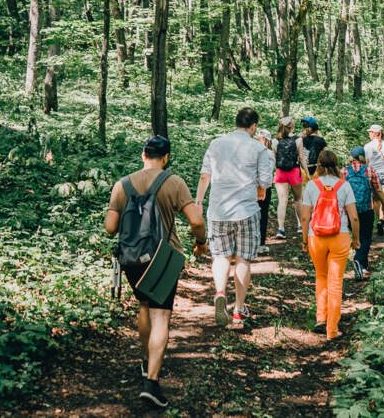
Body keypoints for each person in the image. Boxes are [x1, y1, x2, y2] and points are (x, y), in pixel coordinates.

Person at [104, 136, 208, 409]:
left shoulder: (122, 184)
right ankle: (151, 381)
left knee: (143, 305)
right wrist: (200, 243)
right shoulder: (173, 183)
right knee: (161, 315)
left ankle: (144, 360)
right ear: (166, 157)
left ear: (143, 155)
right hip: (161, 258)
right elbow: (196, 220)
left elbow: (110, 227)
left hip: (131, 259)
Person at [196, 107, 274, 326]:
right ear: (254, 126)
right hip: (246, 211)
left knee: (220, 256)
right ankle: (239, 309)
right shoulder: (257, 148)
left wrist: (199, 202)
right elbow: (266, 181)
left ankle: (220, 292)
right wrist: (260, 186)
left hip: (218, 210)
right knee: (243, 259)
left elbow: (205, 175)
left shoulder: (217, 143)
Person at [298, 149, 360, 340]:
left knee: (321, 276)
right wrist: (356, 239)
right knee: (336, 282)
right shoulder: (344, 186)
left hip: (316, 236)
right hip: (339, 236)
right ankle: (332, 330)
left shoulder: (311, 186)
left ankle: (321, 318)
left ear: (318, 165)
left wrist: (305, 240)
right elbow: (354, 217)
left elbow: (305, 216)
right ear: (336, 165)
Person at [344, 146, 384, 280]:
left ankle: (362, 263)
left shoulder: (343, 172)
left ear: (351, 157)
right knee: (366, 237)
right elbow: (378, 190)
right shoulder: (369, 170)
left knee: (356, 235)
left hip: (349, 210)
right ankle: (360, 261)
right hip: (366, 209)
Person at [272, 116, 310, 239]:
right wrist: (308, 173)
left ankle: (281, 229)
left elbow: (273, 159)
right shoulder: (298, 140)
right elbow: (302, 158)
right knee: (298, 200)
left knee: (282, 201)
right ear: (292, 127)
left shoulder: (275, 141)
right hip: (294, 171)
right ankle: (301, 226)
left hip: (280, 172)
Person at [365, 124, 384, 235]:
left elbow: (366, 163)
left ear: (373, 133)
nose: (369, 134)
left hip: (373, 174)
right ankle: (382, 220)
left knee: (376, 199)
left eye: (370, 132)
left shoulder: (367, 147)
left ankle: (379, 219)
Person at [255, 128, 274, 256]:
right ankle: (260, 244)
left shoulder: (252, 151)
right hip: (263, 187)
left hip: (251, 187)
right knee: (262, 215)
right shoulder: (269, 154)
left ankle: (256, 243)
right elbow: (268, 172)